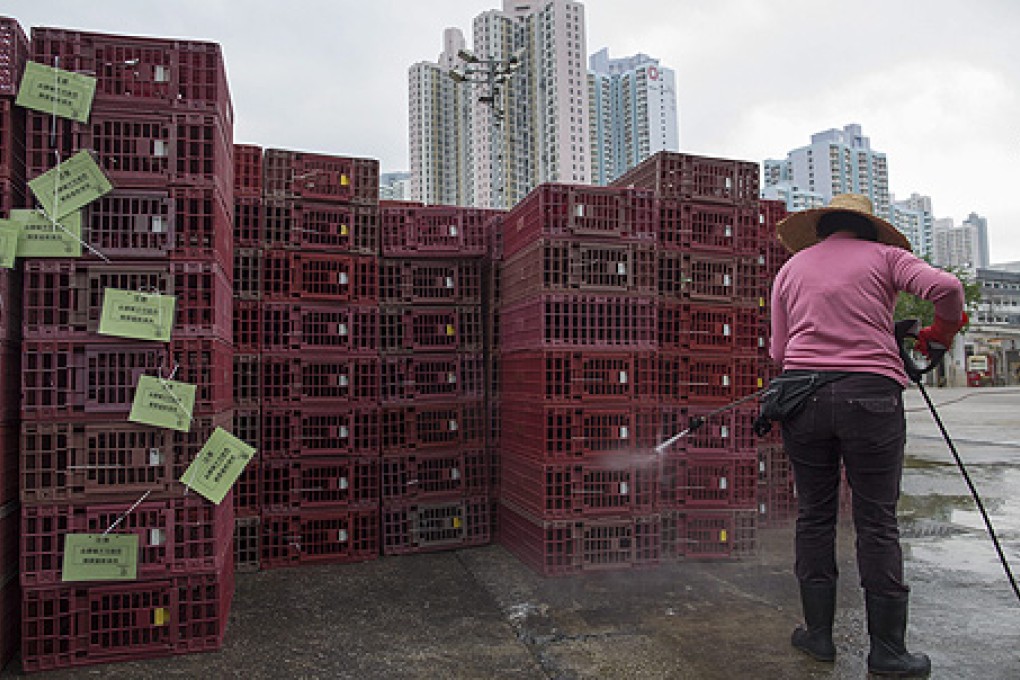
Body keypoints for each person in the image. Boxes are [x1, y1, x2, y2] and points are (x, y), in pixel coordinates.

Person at [770, 193, 966, 678]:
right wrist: (941, 332)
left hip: (803, 399)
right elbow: (947, 287)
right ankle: (888, 651)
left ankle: (817, 636)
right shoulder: (887, 257)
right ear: (870, 231)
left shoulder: (791, 270)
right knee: (876, 521)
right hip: (872, 399)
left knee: (814, 517)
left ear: (822, 229)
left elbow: (779, 351)